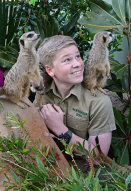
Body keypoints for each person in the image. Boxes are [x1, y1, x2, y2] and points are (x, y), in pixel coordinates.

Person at [36, 35, 116, 164]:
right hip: (48, 163)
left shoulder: (99, 101)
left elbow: (99, 157)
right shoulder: (42, 93)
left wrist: (59, 128)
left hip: (85, 171)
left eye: (78, 56)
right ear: (50, 70)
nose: (77, 64)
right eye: (67, 60)